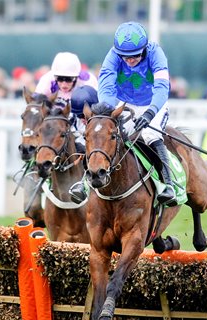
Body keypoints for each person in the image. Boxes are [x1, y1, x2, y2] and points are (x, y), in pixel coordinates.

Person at [70, 21, 177, 206]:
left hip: (153, 102)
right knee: (103, 134)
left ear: (144, 48)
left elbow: (161, 87)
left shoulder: (156, 53)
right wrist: (106, 112)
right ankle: (84, 184)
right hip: (123, 103)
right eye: (125, 56)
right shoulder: (112, 56)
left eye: (135, 55)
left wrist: (150, 113)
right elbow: (106, 86)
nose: (130, 60)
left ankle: (168, 185)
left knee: (150, 135)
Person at [34, 52, 98, 109]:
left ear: (76, 77)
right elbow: (34, 103)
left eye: (69, 79)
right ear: (55, 77)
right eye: (60, 79)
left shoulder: (87, 81)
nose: (64, 84)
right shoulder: (47, 80)